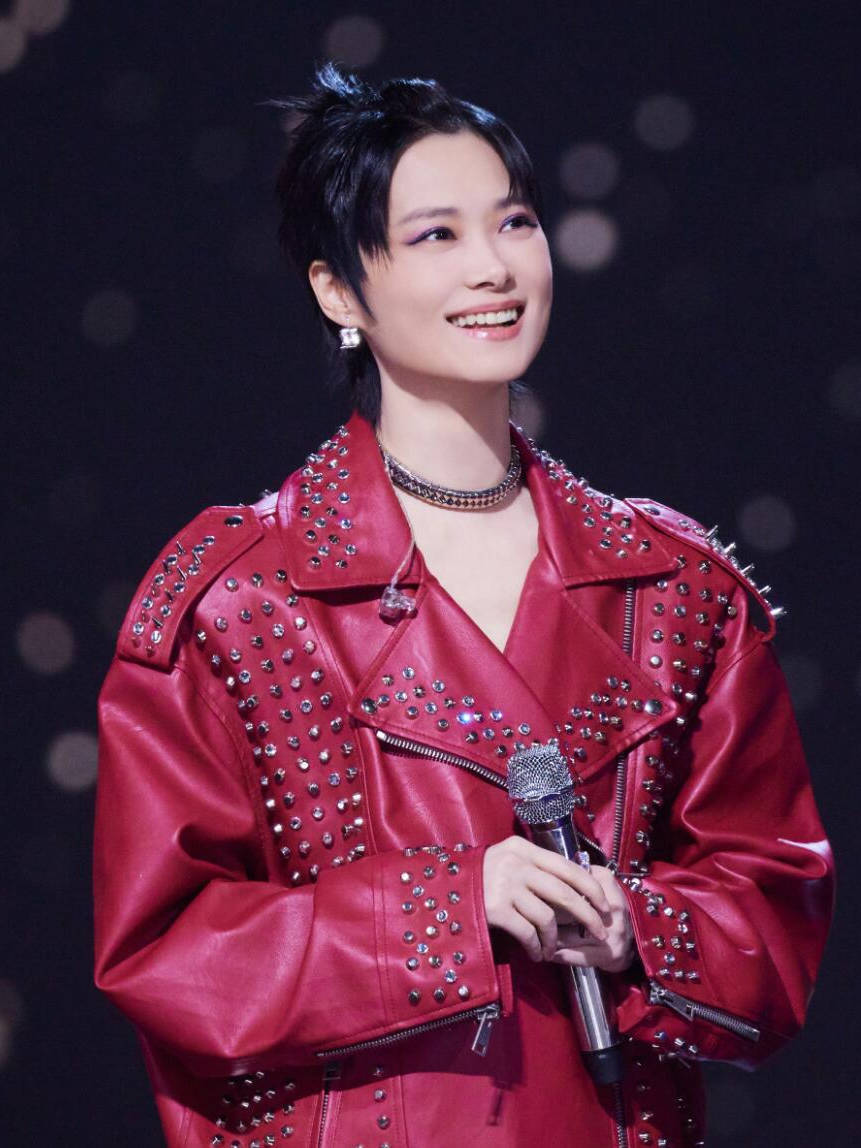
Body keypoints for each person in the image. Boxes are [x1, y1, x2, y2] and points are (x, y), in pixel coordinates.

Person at [94, 63, 834, 1148]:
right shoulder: (238, 598)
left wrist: (636, 929)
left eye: (515, 221)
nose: (494, 265)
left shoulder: (676, 587)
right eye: (436, 234)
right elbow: (165, 950)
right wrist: (447, 909)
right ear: (338, 290)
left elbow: (772, 905)